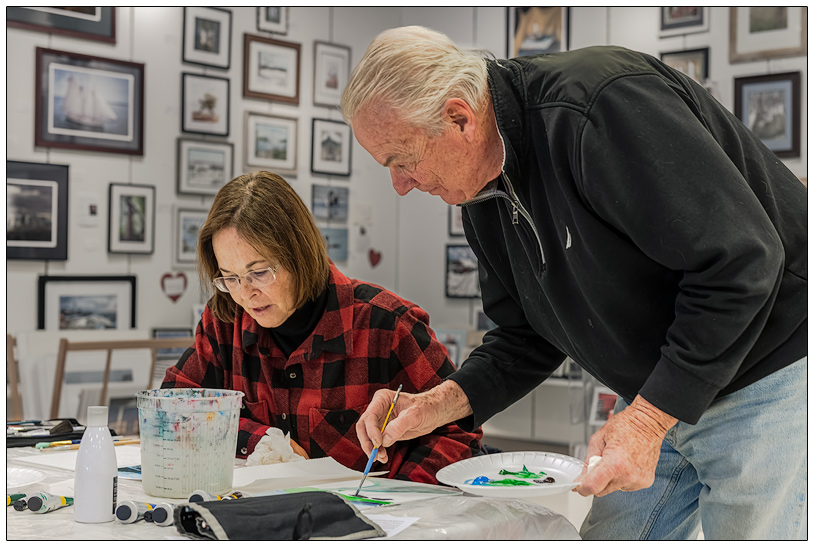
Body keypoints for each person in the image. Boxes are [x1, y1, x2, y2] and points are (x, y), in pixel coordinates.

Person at [341, 26, 806, 540]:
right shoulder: (476, 188)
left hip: (771, 365)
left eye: (401, 160)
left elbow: (743, 263)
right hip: (665, 380)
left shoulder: (601, 107)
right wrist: (434, 404)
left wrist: (648, 421)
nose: (400, 185)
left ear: (459, 118)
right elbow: (525, 336)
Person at [161, 170, 483, 484]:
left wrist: (394, 498)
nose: (245, 293)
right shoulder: (224, 320)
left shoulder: (389, 325)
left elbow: (459, 436)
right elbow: (171, 409)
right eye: (230, 278)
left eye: (259, 273)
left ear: (299, 254)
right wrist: (260, 440)